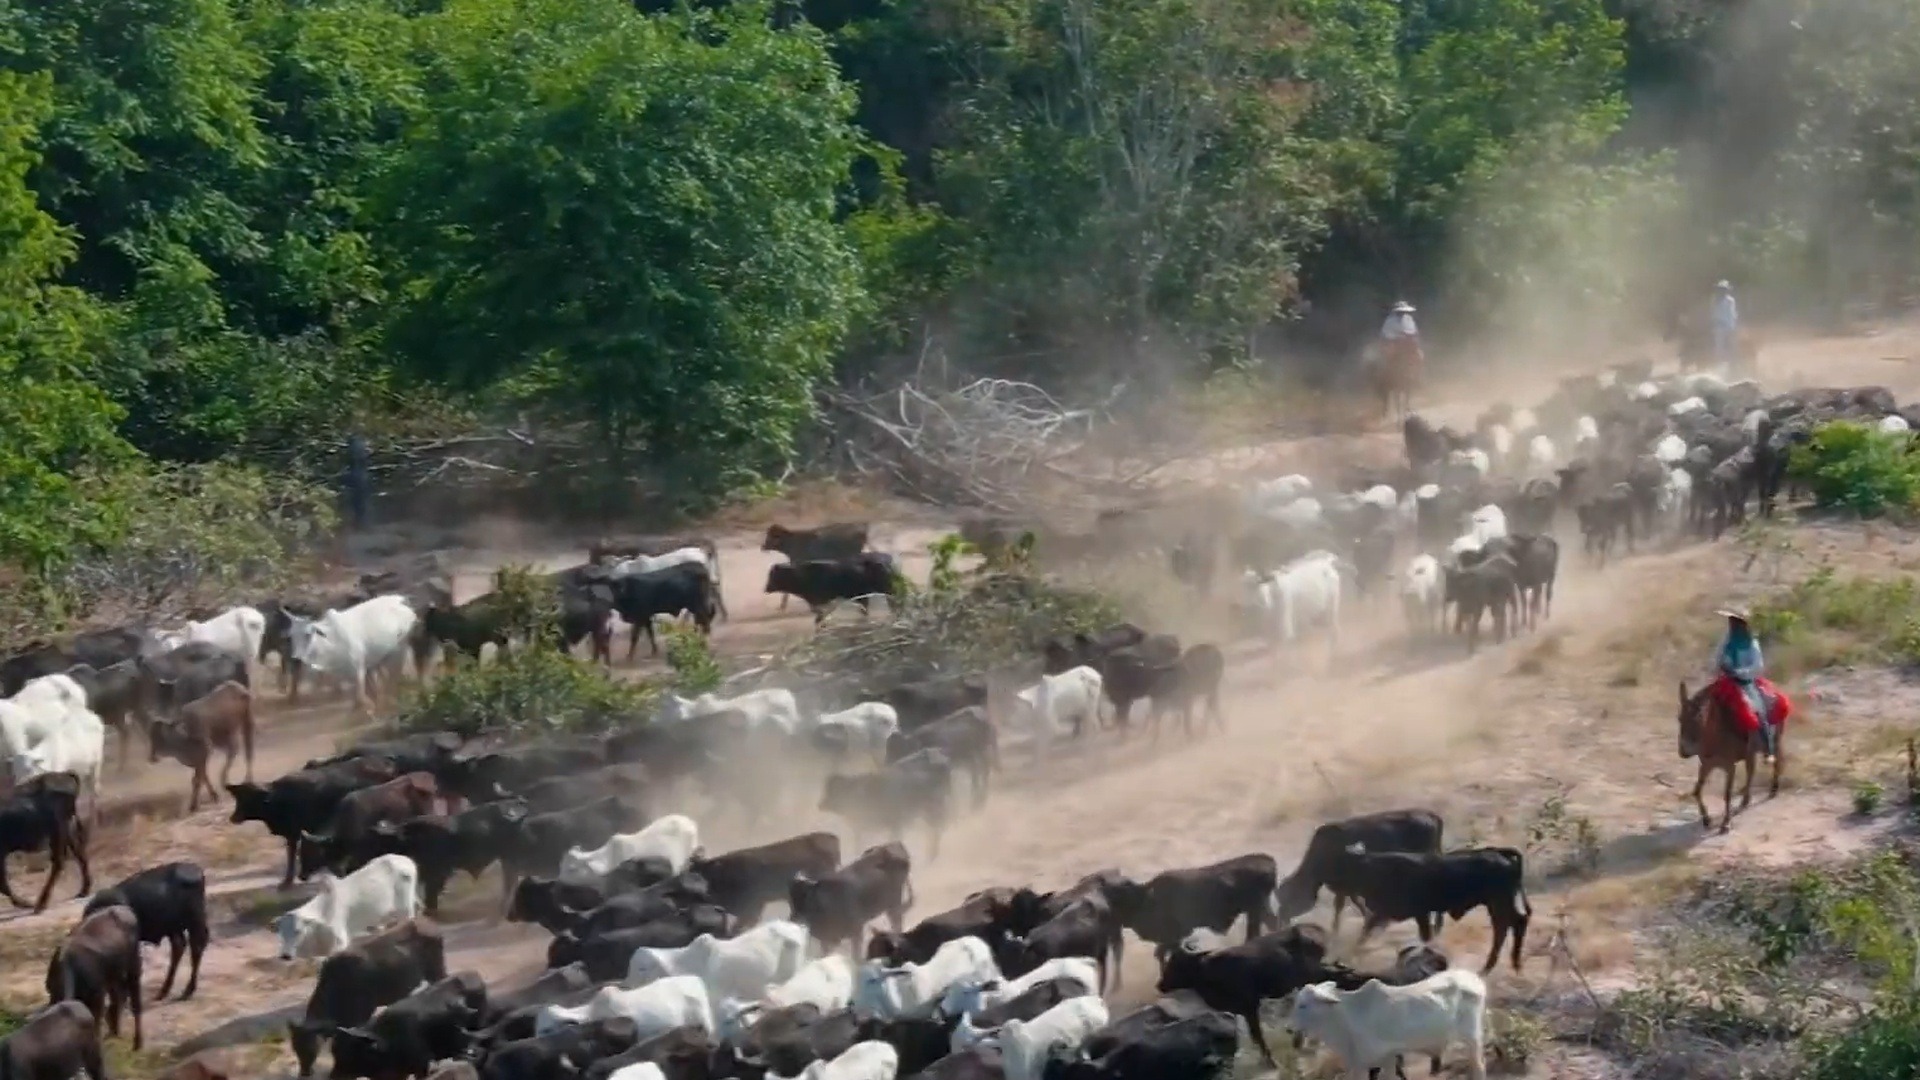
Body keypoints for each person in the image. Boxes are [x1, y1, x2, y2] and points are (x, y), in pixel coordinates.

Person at [1714, 608, 1776, 762]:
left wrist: (1739, 672)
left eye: (1734, 622)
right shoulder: (1727, 640)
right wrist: (1720, 666)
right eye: (1731, 622)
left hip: (1745, 682)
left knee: (1758, 710)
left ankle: (1768, 749)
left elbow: (1757, 666)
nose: (1731, 625)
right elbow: (1717, 656)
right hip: (1726, 679)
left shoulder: (1752, 644)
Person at [1711, 281, 1738, 369]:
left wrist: (1732, 324)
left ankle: (1731, 364)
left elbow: (1732, 314)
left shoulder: (1730, 300)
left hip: (1729, 326)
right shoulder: (1715, 300)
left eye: (1723, 290)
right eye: (1720, 289)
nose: (1721, 291)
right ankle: (1720, 364)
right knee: (1719, 346)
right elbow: (1714, 313)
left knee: (1731, 346)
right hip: (1720, 326)